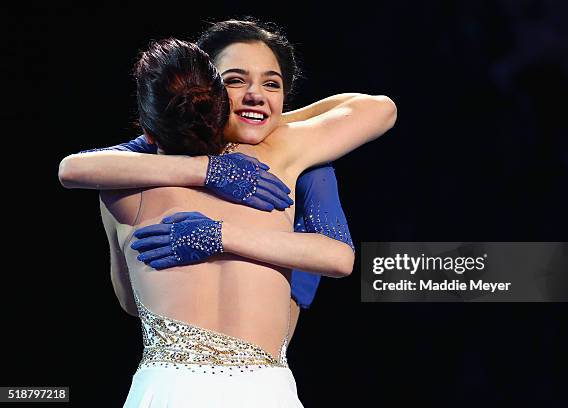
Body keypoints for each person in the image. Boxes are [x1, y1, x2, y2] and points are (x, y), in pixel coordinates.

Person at [59, 19, 363, 342]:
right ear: (208, 88)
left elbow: (340, 258)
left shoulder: (298, 154)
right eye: (234, 81)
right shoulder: (148, 154)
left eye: (272, 85)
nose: (255, 95)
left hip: (258, 372)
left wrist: (279, 125)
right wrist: (209, 171)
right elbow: (73, 169)